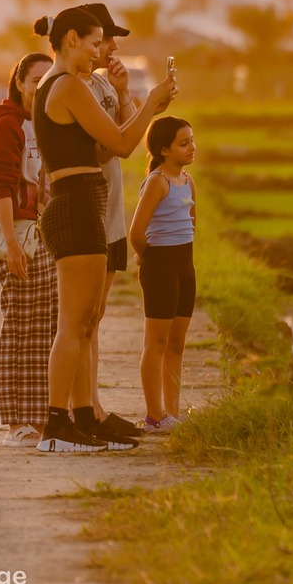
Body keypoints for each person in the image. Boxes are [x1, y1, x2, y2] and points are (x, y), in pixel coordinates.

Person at [28, 7, 174, 453]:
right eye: (94, 44)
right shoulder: (67, 85)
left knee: (87, 322)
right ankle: (57, 426)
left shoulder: (59, 86)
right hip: (75, 205)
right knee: (74, 324)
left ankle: (84, 420)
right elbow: (124, 144)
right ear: (71, 39)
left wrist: (142, 102)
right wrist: (151, 102)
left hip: (81, 202)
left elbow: (110, 142)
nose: (99, 53)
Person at [0, 52, 56, 446]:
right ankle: (17, 423)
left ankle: (40, 416)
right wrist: (10, 244)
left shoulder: (44, 122)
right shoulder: (8, 125)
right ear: (20, 83)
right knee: (20, 326)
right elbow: (2, 186)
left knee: (46, 326)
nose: (41, 87)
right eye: (35, 80)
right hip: (19, 233)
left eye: (49, 78)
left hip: (46, 232)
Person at [80, 2, 140, 439]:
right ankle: (86, 408)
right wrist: (143, 102)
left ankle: (94, 405)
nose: (112, 47)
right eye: (103, 39)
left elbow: (128, 133)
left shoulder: (101, 86)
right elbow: (113, 147)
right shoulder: (75, 90)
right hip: (92, 214)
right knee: (83, 318)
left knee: (96, 316)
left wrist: (123, 95)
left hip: (112, 214)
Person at [129, 117, 197, 433]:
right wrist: (147, 259)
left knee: (177, 344)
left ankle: (173, 412)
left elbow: (192, 223)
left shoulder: (187, 180)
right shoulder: (158, 182)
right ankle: (154, 415)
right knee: (155, 343)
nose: (192, 147)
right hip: (160, 265)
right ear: (164, 150)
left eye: (192, 140)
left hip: (185, 265)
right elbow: (136, 232)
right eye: (183, 143)